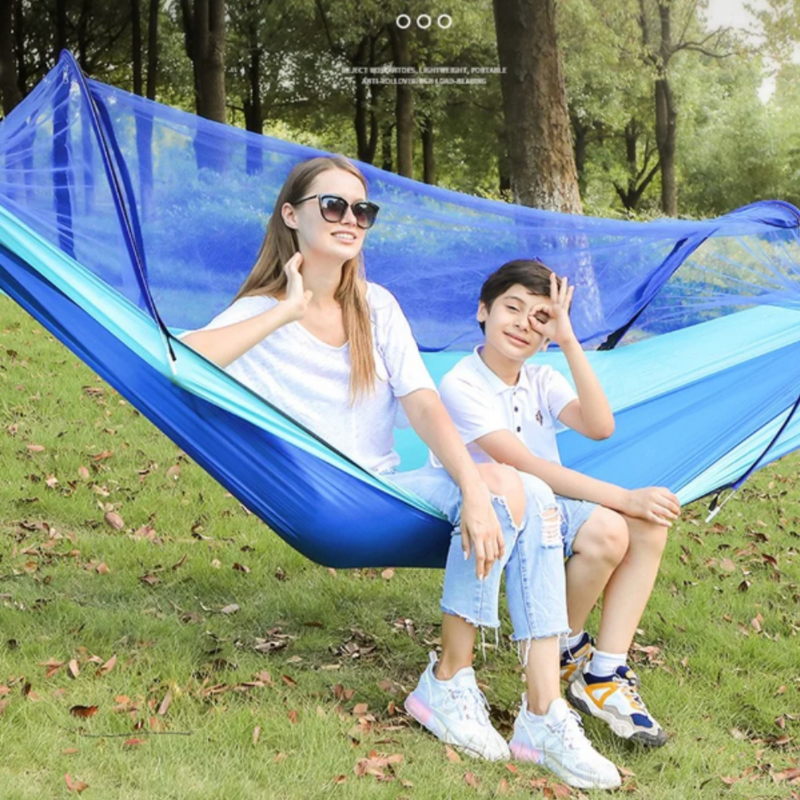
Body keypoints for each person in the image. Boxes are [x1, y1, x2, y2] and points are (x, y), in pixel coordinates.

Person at [177, 155, 621, 790]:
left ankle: (540, 712)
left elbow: (422, 401)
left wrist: (471, 483)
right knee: (509, 486)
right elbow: (181, 360)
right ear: (291, 215)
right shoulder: (260, 311)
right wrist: (286, 310)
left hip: (389, 488)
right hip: (327, 496)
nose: (350, 219)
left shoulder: (376, 306)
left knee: (529, 488)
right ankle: (449, 684)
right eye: (333, 206)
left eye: (362, 210)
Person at [432, 258, 682, 748]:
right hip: (496, 508)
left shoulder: (542, 378)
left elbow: (600, 425)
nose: (524, 323)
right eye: (513, 308)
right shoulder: (461, 382)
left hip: (549, 505)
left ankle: (603, 671)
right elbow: (527, 466)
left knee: (647, 527)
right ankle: (564, 646)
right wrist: (626, 497)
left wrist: (568, 340)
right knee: (618, 524)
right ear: (483, 311)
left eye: (540, 316)